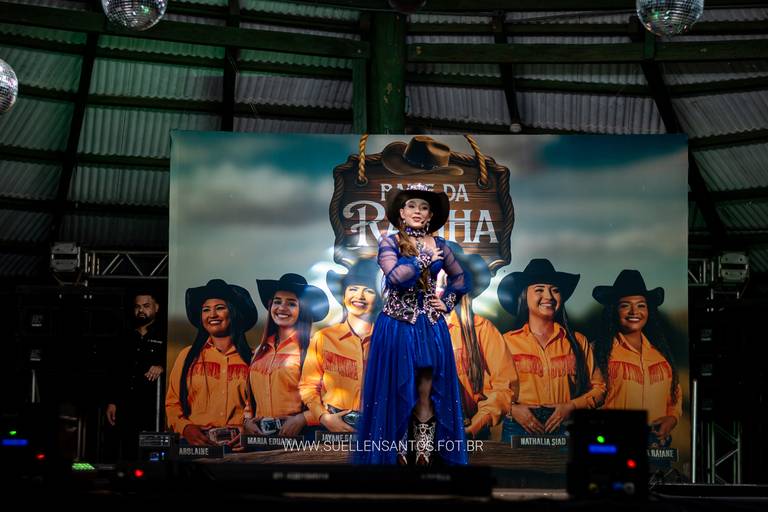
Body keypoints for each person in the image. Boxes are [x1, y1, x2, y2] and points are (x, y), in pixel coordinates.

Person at [355, 183, 470, 466]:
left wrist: (448, 302)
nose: (418, 211)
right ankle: (396, 451)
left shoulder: (441, 245)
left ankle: (424, 453)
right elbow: (396, 278)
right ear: (401, 213)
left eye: (424, 207)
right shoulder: (390, 242)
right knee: (395, 386)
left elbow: (460, 279)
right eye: (412, 206)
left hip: (430, 327)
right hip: (396, 325)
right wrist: (424, 260)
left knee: (426, 389)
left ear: (430, 215)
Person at [497, 259, 605, 442]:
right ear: (524, 295)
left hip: (566, 427)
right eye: (539, 289)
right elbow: (489, 390)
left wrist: (572, 406)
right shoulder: (506, 342)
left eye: (555, 290)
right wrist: (512, 409)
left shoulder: (578, 342)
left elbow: (599, 388)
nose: (548, 296)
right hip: (519, 427)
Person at [592, 270, 682, 447]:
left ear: (649, 311)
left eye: (641, 305)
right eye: (625, 305)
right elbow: (587, 399)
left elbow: (675, 396)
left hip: (654, 449)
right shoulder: (598, 351)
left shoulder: (660, 356)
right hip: (611, 446)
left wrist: (672, 419)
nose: (634, 311)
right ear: (614, 310)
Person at [165, 279, 257, 447]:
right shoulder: (187, 356)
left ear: (233, 312)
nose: (212, 315)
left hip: (240, 449)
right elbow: (172, 404)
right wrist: (185, 428)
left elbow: (262, 409)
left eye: (220, 308)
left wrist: (248, 431)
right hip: (195, 447)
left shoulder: (254, 359)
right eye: (206, 310)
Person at [443, 242, 517, 440]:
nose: (441, 280)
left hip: (470, 432)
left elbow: (504, 386)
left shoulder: (482, 328)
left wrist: (478, 422)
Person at [299, 259, 381, 433]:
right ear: (343, 295)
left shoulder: (387, 341)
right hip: (331, 431)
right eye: (353, 289)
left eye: (369, 290)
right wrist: (324, 417)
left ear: (378, 299)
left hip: (377, 429)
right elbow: (308, 387)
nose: (359, 296)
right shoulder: (323, 338)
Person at [245, 273, 329, 439]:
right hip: (260, 440)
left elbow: (330, 400)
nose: (282, 308)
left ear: (303, 309)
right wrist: (247, 421)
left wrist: (303, 418)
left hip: (300, 439)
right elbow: (249, 400)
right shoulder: (259, 352)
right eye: (277, 302)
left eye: (291, 303)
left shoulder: (313, 349)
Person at [105, 291, 166, 460]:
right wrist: (112, 402)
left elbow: (177, 364)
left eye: (146, 306)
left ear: (156, 307)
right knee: (127, 450)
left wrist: (162, 367)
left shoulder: (165, 334)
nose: (141, 310)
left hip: (153, 406)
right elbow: (115, 371)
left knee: (152, 453)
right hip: (127, 404)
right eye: (137, 307)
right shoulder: (125, 335)